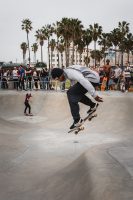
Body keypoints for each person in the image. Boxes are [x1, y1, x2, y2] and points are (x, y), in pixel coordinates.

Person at [51, 65, 103, 130]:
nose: (59, 81)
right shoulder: (67, 73)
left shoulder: (70, 73)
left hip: (92, 79)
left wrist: (94, 95)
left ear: (60, 75)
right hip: (92, 77)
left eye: (58, 79)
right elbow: (74, 86)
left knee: (70, 93)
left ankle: (77, 120)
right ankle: (93, 105)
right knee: (74, 94)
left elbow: (83, 81)